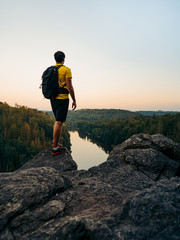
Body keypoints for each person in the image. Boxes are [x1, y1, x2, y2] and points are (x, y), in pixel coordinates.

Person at [51, 51, 77, 155]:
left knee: (57, 121)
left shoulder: (51, 69)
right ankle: (55, 148)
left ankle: (55, 142)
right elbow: (69, 86)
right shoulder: (66, 70)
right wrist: (74, 100)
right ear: (63, 59)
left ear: (55, 59)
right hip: (62, 99)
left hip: (53, 98)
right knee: (59, 122)